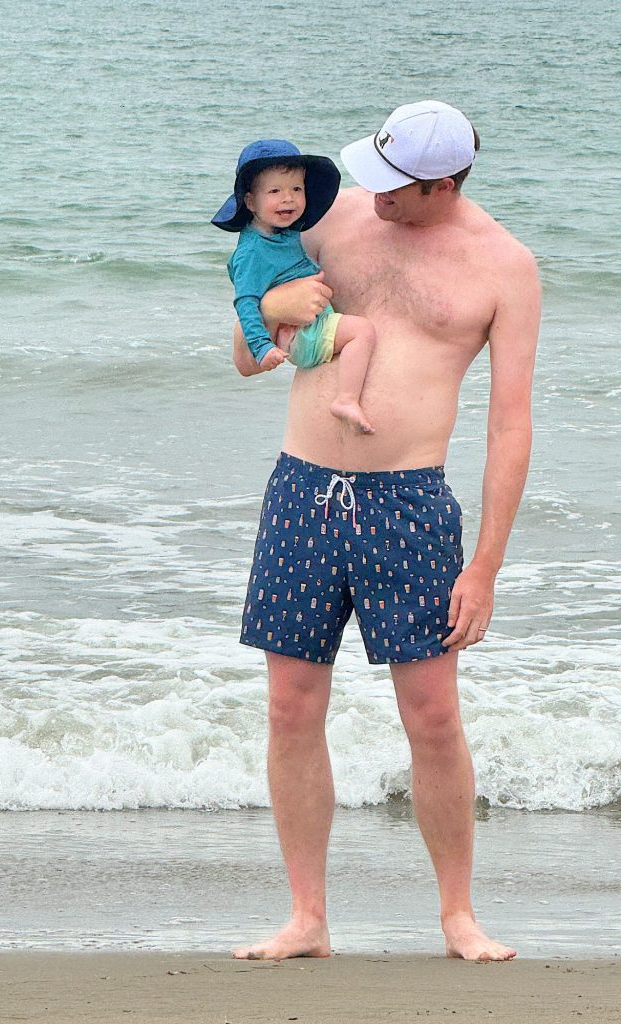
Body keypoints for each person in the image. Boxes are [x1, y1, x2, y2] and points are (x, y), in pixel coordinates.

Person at [231, 100, 541, 962]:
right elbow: (251, 339)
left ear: (442, 185)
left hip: (409, 503)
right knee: (291, 707)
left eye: (394, 187)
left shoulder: (505, 268)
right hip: (302, 492)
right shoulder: (333, 219)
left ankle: (457, 917)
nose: (371, 197)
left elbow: (510, 425)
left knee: (433, 715)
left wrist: (484, 564)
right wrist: (272, 303)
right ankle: (308, 918)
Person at [213, 139, 377, 434]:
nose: (288, 199)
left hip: (306, 326)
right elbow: (245, 303)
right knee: (362, 332)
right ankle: (346, 399)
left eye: (296, 189)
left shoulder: (284, 234)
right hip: (300, 333)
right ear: (250, 202)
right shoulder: (251, 252)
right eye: (275, 191)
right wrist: (263, 347)